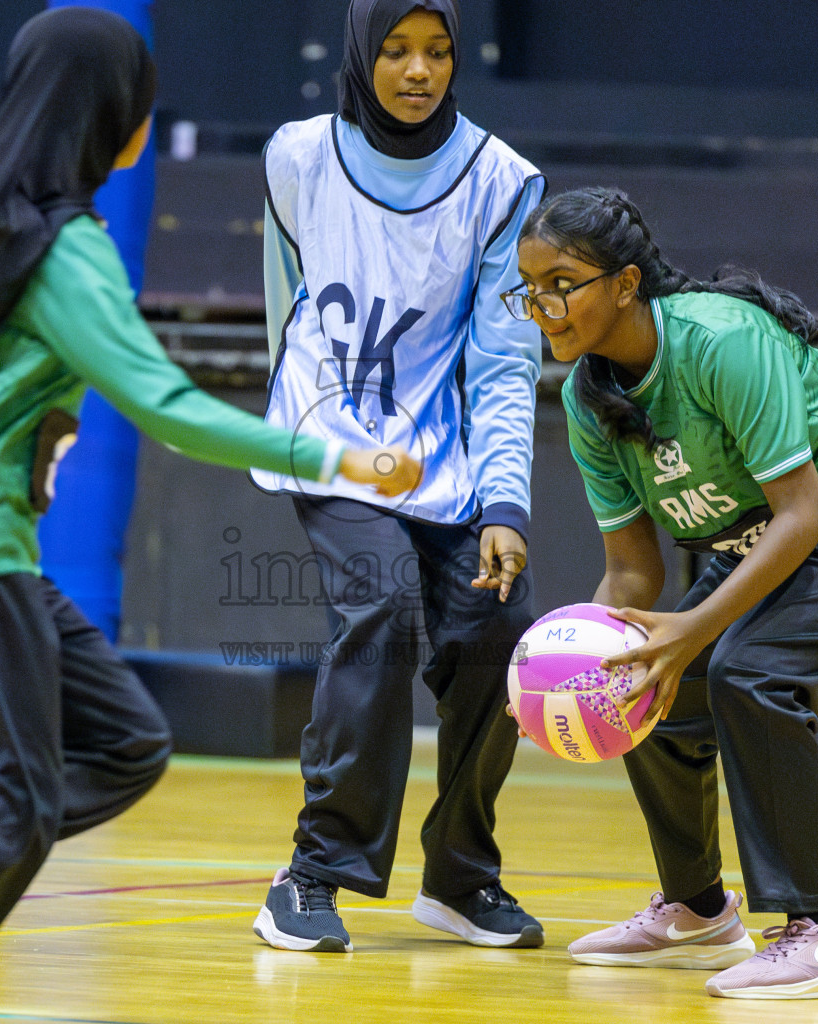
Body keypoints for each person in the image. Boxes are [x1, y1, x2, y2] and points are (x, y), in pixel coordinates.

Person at [0, 10, 418, 1024]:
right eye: (142, 98)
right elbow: (163, 405)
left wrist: (9, 432)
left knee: (125, 740)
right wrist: (334, 452)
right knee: (6, 798)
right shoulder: (66, 248)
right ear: (111, 118)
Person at [507, 186, 818, 999]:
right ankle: (698, 909)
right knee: (636, 682)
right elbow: (634, 574)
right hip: (759, 538)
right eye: (530, 288)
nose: (544, 306)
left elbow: (802, 513)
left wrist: (691, 631)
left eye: (562, 282)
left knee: (749, 672)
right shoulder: (586, 398)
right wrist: (564, 675)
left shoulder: (721, 340)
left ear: (626, 283)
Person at [248, 0, 547, 954]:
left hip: (447, 459)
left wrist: (504, 503)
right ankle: (312, 872)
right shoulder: (296, 158)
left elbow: (506, 360)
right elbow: (282, 306)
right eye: (396, 49)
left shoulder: (501, 181)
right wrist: (301, 432)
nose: (418, 70)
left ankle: (460, 877)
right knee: (378, 606)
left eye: (439, 51)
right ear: (359, 53)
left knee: (501, 624)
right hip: (328, 442)